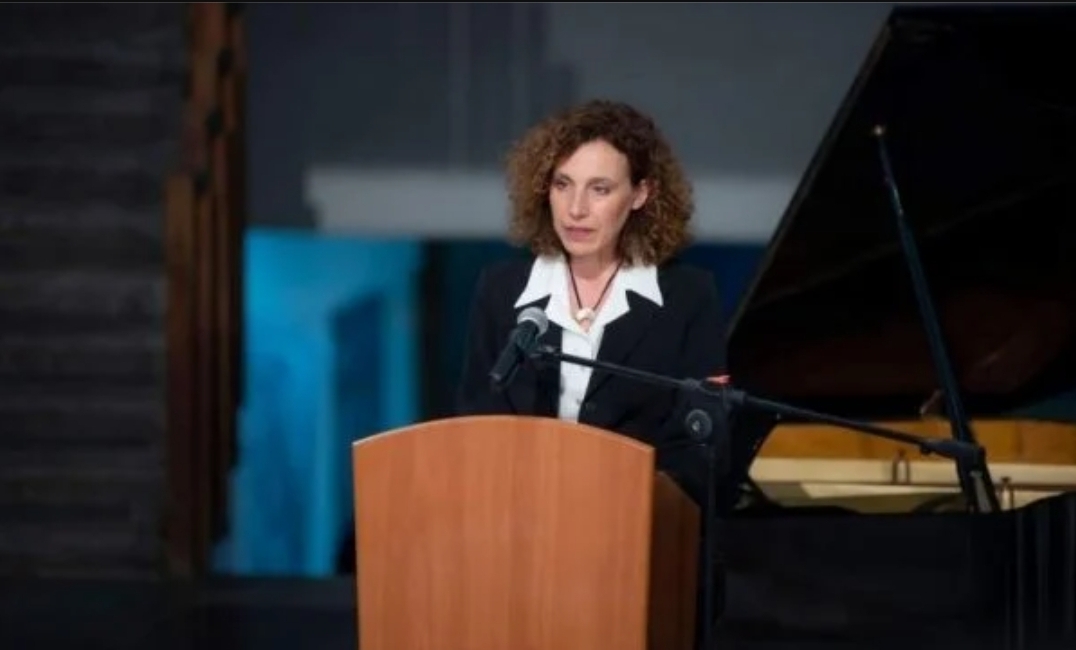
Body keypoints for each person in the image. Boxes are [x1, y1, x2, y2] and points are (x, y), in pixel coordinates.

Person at [456, 98, 729, 506]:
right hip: (517, 517)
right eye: (562, 185)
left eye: (599, 189)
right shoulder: (501, 290)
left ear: (640, 194)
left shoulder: (687, 297)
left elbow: (697, 453)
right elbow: (476, 425)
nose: (576, 209)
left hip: (632, 522)